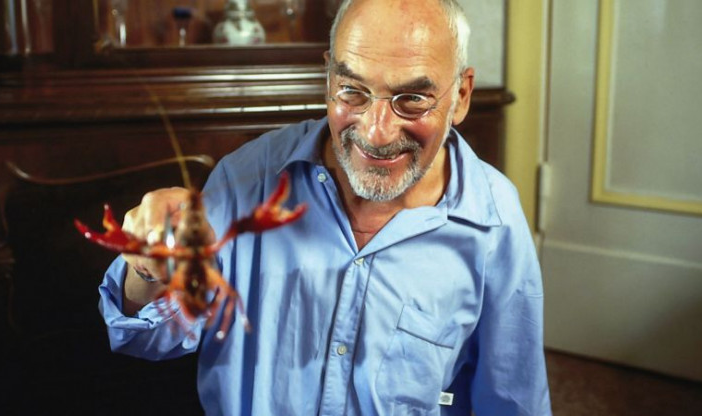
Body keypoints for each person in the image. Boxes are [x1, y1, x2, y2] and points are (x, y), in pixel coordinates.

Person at [99, 0, 552, 414]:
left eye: (412, 100)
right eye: (353, 90)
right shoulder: (248, 177)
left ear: (461, 97)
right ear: (329, 78)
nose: (376, 132)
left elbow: (512, 401)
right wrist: (146, 267)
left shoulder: (494, 220)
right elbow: (147, 337)